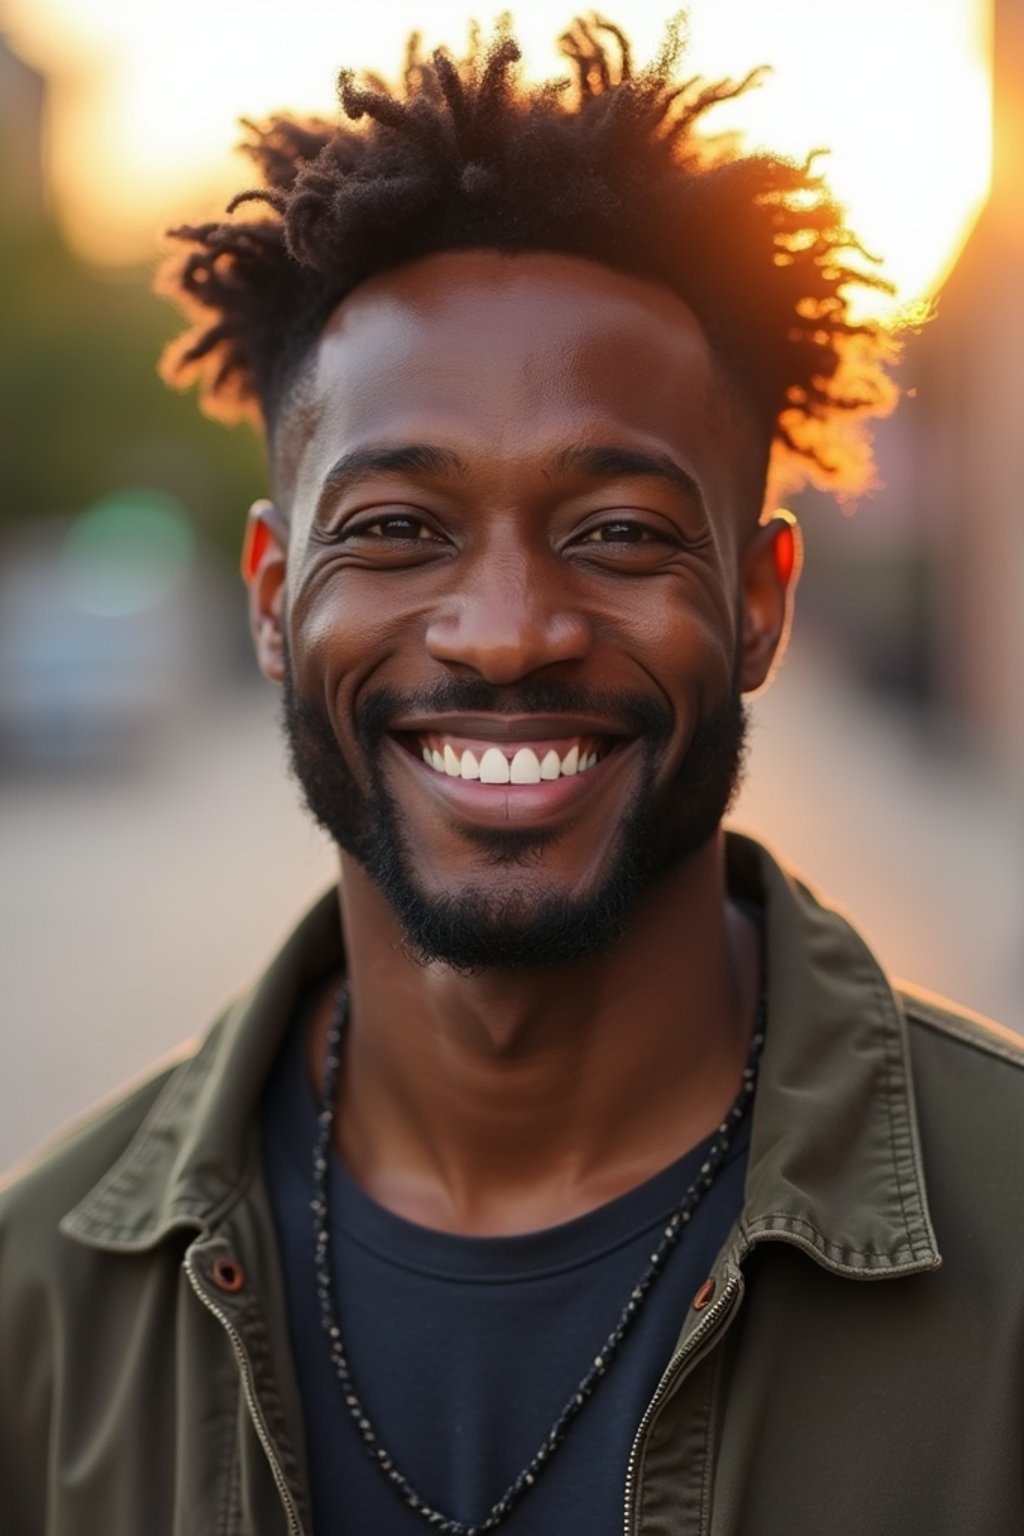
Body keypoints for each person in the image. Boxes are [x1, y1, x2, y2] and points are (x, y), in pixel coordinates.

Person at [2, 17, 1022, 1536]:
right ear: (276, 597)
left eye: (617, 532)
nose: (506, 635)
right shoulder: (41, 1315)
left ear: (759, 601)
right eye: (399, 528)